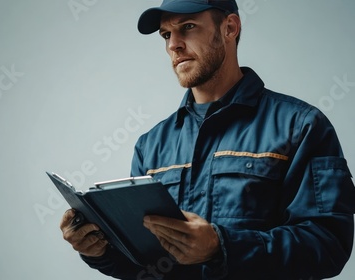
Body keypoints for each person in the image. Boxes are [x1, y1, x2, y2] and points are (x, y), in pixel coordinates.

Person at [59, 0, 355, 279]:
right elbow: (148, 268)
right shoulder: (151, 145)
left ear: (230, 28)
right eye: (166, 34)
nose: (174, 45)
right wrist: (100, 251)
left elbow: (328, 246)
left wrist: (221, 247)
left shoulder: (300, 126)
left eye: (187, 27)